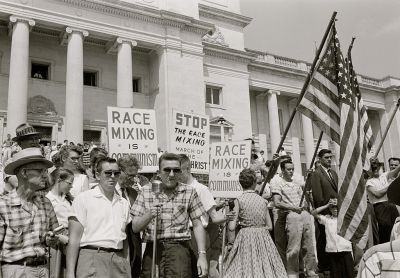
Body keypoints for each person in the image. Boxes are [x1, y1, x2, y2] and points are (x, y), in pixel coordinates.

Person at [130, 152, 208, 278]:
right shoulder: (146, 191)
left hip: (179, 251)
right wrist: (149, 214)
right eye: (167, 170)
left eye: (176, 170)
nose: (171, 174)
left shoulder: (189, 191)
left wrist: (202, 255)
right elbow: (135, 227)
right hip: (153, 250)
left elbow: (198, 225)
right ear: (158, 172)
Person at [66, 157, 131, 278]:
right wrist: (70, 273)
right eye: (108, 173)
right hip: (92, 257)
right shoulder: (83, 199)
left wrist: (127, 267)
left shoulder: (124, 203)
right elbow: (74, 239)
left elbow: (125, 240)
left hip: (118, 259)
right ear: (97, 174)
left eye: (116, 173)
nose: (112, 176)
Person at [0, 148, 60, 278]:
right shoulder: (3, 205)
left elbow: (55, 235)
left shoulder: (46, 203)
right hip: (15, 271)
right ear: (24, 173)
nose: (45, 175)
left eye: (45, 171)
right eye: (40, 171)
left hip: (43, 270)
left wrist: (50, 238)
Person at [224, 168, 287, 278]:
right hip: (263, 237)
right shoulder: (263, 201)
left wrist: (233, 219)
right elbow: (270, 226)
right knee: (266, 267)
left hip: (246, 237)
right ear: (254, 182)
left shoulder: (238, 200)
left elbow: (232, 227)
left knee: (245, 267)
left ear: (240, 184)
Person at [178, 154, 229, 278]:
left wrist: (230, 216)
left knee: (199, 272)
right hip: (180, 235)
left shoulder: (202, 189)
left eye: (179, 171)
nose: (175, 175)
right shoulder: (177, 189)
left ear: (188, 169)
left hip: (197, 236)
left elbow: (215, 217)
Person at [271, 159, 317, 278]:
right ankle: (292, 272)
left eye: (292, 169)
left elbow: (307, 193)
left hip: (303, 214)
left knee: (308, 245)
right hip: (291, 215)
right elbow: (277, 203)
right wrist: (292, 207)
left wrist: (310, 178)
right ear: (282, 170)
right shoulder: (278, 183)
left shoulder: (296, 183)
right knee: (294, 247)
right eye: (288, 169)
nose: (291, 172)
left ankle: (311, 270)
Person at [117, 154, 150, 278]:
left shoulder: (133, 193)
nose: (134, 179)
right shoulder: (109, 192)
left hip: (134, 245)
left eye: (136, 175)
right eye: (130, 175)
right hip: (117, 244)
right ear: (119, 171)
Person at [310, 149, 338, 275]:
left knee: (333, 238)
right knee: (323, 239)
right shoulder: (316, 174)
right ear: (320, 158)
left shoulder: (333, 173)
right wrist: (326, 210)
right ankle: (323, 266)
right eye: (326, 157)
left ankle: (333, 263)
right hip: (324, 212)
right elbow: (318, 195)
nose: (329, 159)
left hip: (335, 211)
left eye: (330, 157)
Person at [311, 199, 354, 278]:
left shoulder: (346, 218)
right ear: (330, 209)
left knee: (349, 274)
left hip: (345, 250)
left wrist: (341, 203)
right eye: (333, 207)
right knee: (336, 274)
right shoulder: (327, 219)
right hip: (333, 251)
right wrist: (327, 205)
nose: (335, 209)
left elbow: (352, 207)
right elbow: (313, 213)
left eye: (337, 207)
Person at [46, 168, 75, 278]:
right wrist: (59, 237)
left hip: (70, 239)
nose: (71, 186)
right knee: (56, 272)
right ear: (59, 180)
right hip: (57, 241)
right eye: (69, 183)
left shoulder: (68, 199)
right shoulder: (48, 199)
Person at [366, 158, 400, 243]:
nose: (376, 170)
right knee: (385, 229)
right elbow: (377, 194)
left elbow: (396, 171)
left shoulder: (385, 175)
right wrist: (390, 185)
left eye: (377, 167)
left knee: (396, 227)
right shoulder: (369, 182)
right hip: (380, 207)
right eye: (373, 168)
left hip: (391, 205)